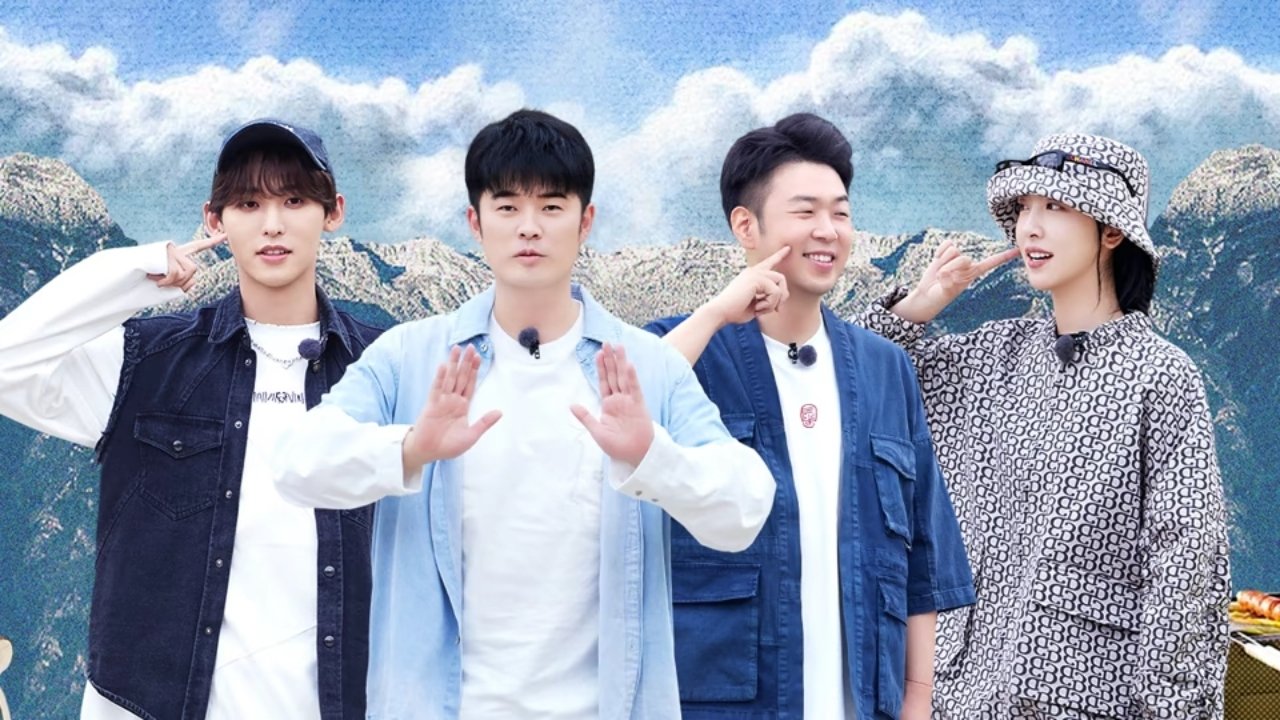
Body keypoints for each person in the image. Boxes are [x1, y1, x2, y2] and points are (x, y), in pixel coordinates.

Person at [272, 109, 776, 719]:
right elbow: (294, 465)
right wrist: (411, 448)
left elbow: (746, 509)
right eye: (507, 206)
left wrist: (652, 456)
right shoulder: (411, 357)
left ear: (585, 221)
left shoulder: (646, 366)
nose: (529, 227)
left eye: (552, 206)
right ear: (475, 223)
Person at [0, 119, 382, 719]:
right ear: (214, 220)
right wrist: (134, 276)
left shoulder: (388, 370)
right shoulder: (147, 360)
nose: (272, 224)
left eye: (294, 201)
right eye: (248, 203)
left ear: (332, 212)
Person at [856, 133, 1230, 718]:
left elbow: (1186, 563)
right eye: (1025, 207)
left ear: (1112, 231)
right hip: (956, 693)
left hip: (1086, 699)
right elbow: (847, 386)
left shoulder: (1160, 376)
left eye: (1054, 207)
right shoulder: (988, 356)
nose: (1029, 226)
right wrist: (921, 304)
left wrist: (1171, 707)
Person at [648, 113, 975, 719]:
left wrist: (917, 701)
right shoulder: (686, 351)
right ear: (745, 225)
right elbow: (622, 417)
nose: (828, 231)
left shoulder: (884, 368)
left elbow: (923, 562)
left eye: (841, 213)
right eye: (805, 212)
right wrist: (716, 314)